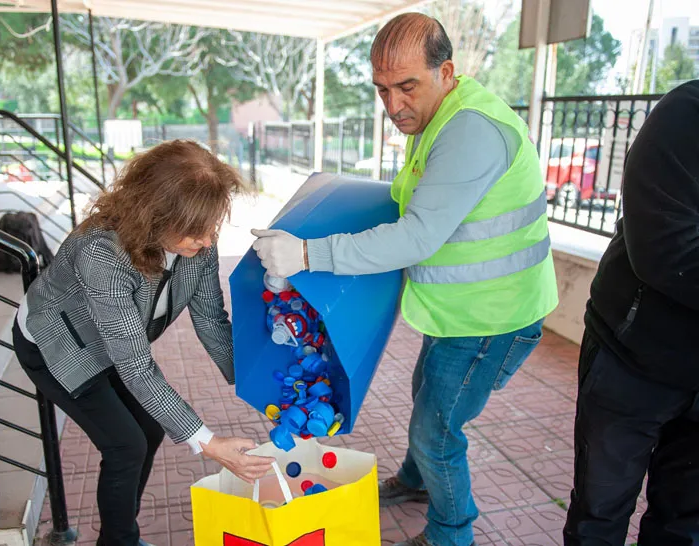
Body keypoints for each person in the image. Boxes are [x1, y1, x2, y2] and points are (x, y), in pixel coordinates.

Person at [251, 13, 558, 546]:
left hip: (493, 316)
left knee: (436, 431)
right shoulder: (435, 116)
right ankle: (417, 483)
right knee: (426, 400)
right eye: (382, 89)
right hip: (457, 310)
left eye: (407, 86)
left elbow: (416, 236)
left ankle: (449, 535)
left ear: (446, 72)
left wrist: (305, 253)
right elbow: (407, 202)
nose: (393, 105)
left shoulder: (471, 132)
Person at [12, 140, 274, 546]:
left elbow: (210, 319)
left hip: (115, 342)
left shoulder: (198, 239)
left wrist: (258, 387)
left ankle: (122, 537)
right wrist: (209, 443)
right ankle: (118, 542)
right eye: (196, 231)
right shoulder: (102, 252)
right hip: (58, 344)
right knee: (126, 445)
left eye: (211, 227)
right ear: (154, 215)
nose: (207, 241)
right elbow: (135, 366)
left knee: (149, 431)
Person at [563, 81, 699, 545]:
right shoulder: (687, 112)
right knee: (599, 514)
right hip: (632, 361)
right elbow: (668, 252)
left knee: (684, 524)